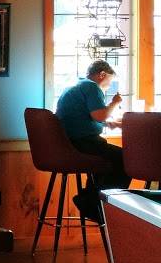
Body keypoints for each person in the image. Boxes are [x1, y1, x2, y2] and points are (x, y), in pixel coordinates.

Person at [55, 59, 131, 218]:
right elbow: (100, 115)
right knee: (126, 160)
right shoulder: (91, 86)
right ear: (102, 75)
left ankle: (90, 201)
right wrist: (115, 102)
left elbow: (84, 117)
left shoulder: (75, 86)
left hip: (67, 143)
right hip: (83, 142)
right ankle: (97, 205)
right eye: (109, 82)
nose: (108, 86)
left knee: (104, 163)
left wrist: (108, 123)